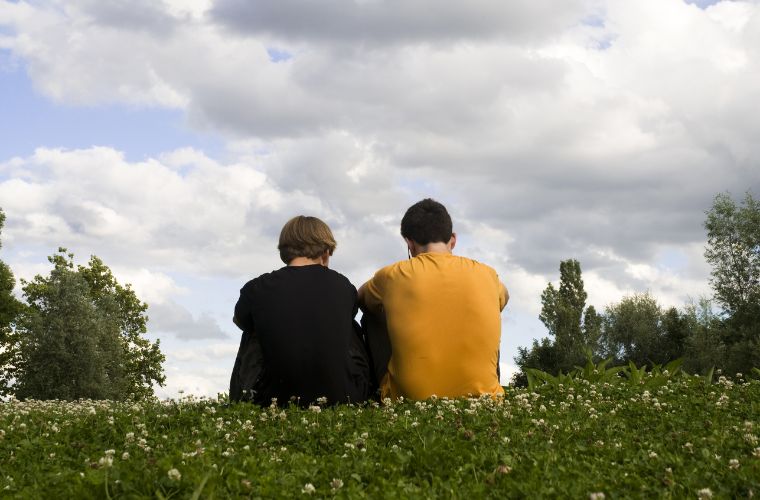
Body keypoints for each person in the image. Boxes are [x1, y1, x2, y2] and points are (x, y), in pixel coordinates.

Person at [358, 198, 508, 400]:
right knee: (487, 309)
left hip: (409, 399)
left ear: (409, 243)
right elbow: (503, 300)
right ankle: (485, 388)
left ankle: (382, 391)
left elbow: (360, 299)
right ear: (453, 239)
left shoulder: (391, 275)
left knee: (372, 315)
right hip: (484, 401)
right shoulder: (488, 274)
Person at [230, 215, 371, 406]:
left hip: (271, 399)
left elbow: (239, 321)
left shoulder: (256, 288)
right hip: (345, 396)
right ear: (326, 251)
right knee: (349, 325)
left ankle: (244, 400)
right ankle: (372, 393)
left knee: (253, 326)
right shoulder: (343, 285)